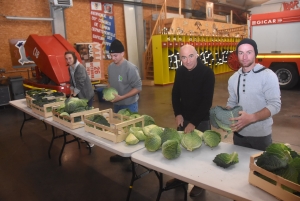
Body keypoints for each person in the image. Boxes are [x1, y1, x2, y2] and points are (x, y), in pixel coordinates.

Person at [170, 44, 215, 197]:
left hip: (200, 120)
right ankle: (180, 179)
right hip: (184, 118)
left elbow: (206, 102)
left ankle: (199, 183)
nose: (187, 61)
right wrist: (178, 114)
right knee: (182, 150)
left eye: (190, 56)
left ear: (196, 55)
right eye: (183, 57)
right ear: (180, 58)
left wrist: (193, 123)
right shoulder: (180, 71)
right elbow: (175, 94)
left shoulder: (207, 73)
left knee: (200, 155)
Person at [227, 38, 281, 151]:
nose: (244, 57)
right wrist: (225, 115)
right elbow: (232, 102)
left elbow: (275, 105)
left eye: (249, 52)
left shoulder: (268, 75)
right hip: (238, 134)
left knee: (260, 168)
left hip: (261, 136)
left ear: (255, 53)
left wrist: (252, 118)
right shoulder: (233, 79)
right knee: (240, 167)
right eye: (241, 53)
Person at [106, 39, 142, 162]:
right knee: (118, 131)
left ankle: (133, 159)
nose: (113, 58)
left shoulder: (130, 68)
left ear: (123, 53)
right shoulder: (110, 67)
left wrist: (122, 97)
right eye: (111, 55)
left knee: (130, 132)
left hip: (129, 104)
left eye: (115, 55)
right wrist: (109, 93)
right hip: (117, 105)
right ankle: (121, 154)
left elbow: (138, 87)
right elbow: (110, 82)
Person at [65, 50, 95, 147]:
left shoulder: (80, 68)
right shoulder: (70, 68)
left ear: (74, 57)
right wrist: (71, 92)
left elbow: (80, 83)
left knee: (87, 117)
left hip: (87, 95)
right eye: (66, 59)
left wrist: (73, 95)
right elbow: (72, 81)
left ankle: (91, 141)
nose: (68, 60)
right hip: (79, 95)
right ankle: (85, 137)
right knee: (81, 116)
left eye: (70, 58)